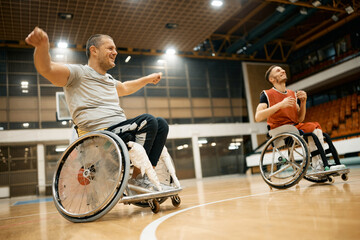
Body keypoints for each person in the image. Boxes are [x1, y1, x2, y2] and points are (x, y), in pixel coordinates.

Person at [25, 27, 168, 189]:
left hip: (120, 133)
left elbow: (125, 87)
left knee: (161, 124)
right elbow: (46, 68)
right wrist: (42, 47)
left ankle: (148, 174)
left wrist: (147, 79)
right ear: (94, 50)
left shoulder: (108, 80)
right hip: (99, 136)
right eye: (110, 48)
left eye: (115, 49)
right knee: (148, 121)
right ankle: (138, 179)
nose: (115, 52)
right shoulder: (78, 73)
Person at [254, 65, 325, 171]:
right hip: (278, 129)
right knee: (313, 128)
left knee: (317, 130)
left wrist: (303, 102)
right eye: (278, 71)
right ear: (272, 79)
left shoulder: (292, 94)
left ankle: (319, 162)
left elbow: (300, 119)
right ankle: (317, 164)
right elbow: (258, 117)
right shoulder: (266, 94)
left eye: (282, 69)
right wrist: (280, 105)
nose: (283, 71)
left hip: (293, 127)